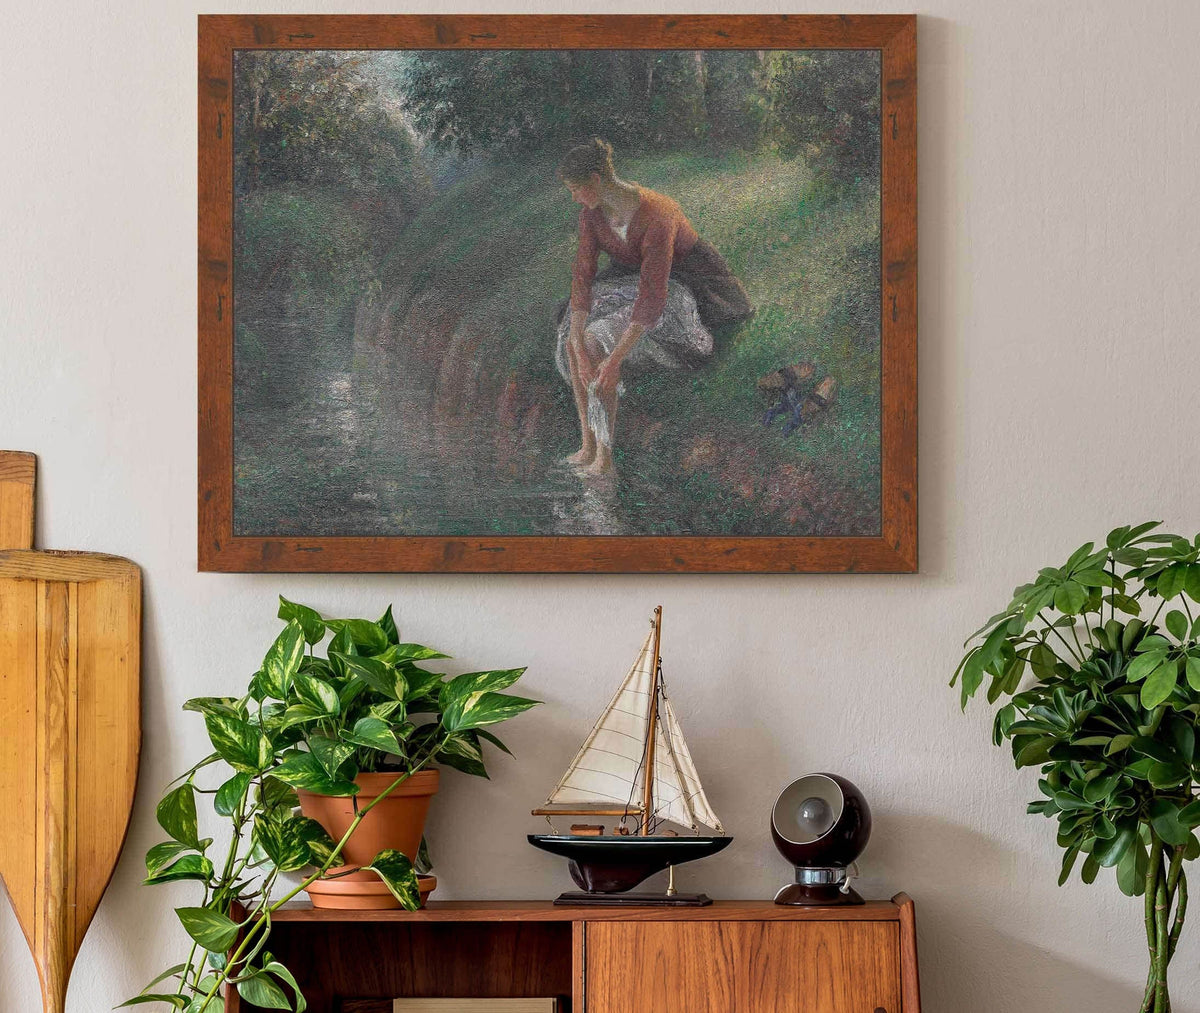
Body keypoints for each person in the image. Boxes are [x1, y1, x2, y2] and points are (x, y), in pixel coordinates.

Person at [557, 138, 753, 476]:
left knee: (595, 339)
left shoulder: (658, 214)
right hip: (630, 280)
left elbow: (652, 296)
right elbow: (583, 274)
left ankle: (605, 458)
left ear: (596, 180)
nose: (574, 197)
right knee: (573, 336)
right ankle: (587, 444)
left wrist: (614, 361)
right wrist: (574, 340)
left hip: (683, 285)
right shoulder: (592, 215)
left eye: (576, 189)